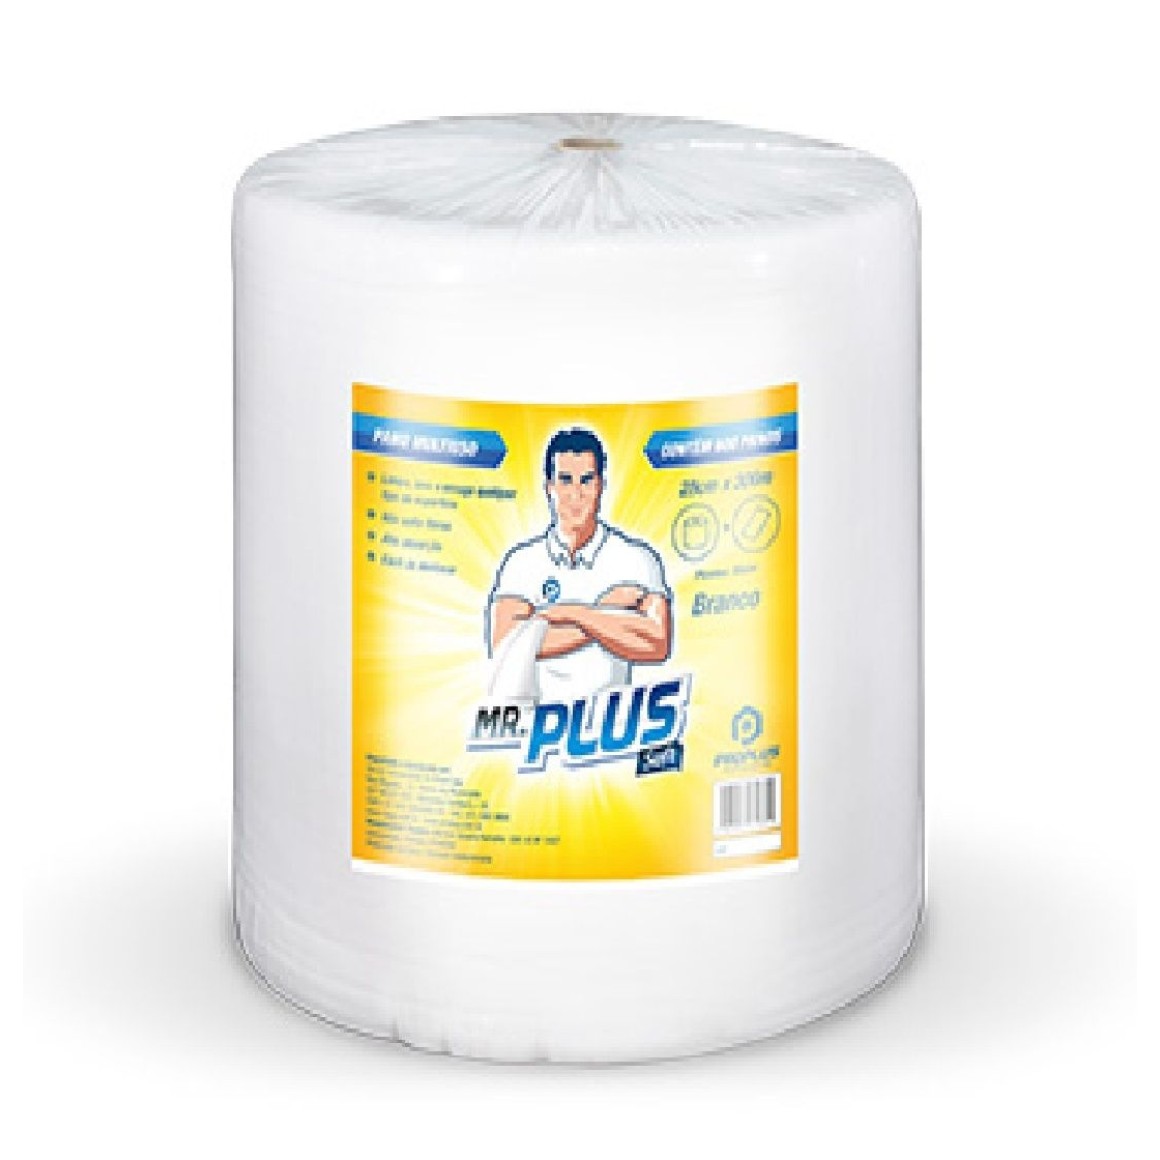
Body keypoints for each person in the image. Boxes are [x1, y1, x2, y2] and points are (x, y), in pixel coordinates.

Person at [487, 428, 672, 702]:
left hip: (612, 724)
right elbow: (506, 645)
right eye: (565, 480)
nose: (576, 494)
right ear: (549, 487)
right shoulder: (522, 562)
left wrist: (568, 614)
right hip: (533, 721)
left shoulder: (636, 558)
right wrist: (608, 611)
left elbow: (657, 643)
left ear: (600, 485)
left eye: (586, 480)